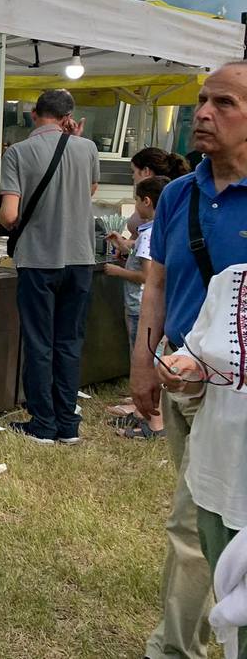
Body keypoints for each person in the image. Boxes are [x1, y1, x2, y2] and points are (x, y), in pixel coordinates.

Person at [133, 63, 247, 659]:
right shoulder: (178, 194)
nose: (203, 113)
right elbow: (156, 284)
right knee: (193, 521)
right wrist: (144, 361)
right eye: (202, 101)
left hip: (242, 395)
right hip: (182, 381)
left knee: (223, 522)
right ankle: (177, 646)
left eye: (223, 103)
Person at [0, 89, 99, 444]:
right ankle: (68, 424)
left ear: (33, 113)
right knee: (69, 341)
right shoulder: (87, 149)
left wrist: (17, 219)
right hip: (81, 258)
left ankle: (43, 423)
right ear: (69, 116)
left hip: (39, 260)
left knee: (40, 342)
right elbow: (87, 193)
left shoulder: (18, 153)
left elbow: (9, 215)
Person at [164, 264, 247, 659]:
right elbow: (198, 353)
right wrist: (185, 371)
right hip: (217, 479)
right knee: (232, 611)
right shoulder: (229, 280)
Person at [103, 175, 168, 439]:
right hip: (139, 304)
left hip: (140, 305)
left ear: (146, 201)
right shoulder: (153, 231)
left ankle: (149, 420)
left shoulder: (150, 235)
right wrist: (123, 245)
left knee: (143, 360)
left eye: (135, 201)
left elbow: (147, 276)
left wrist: (117, 271)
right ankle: (143, 414)